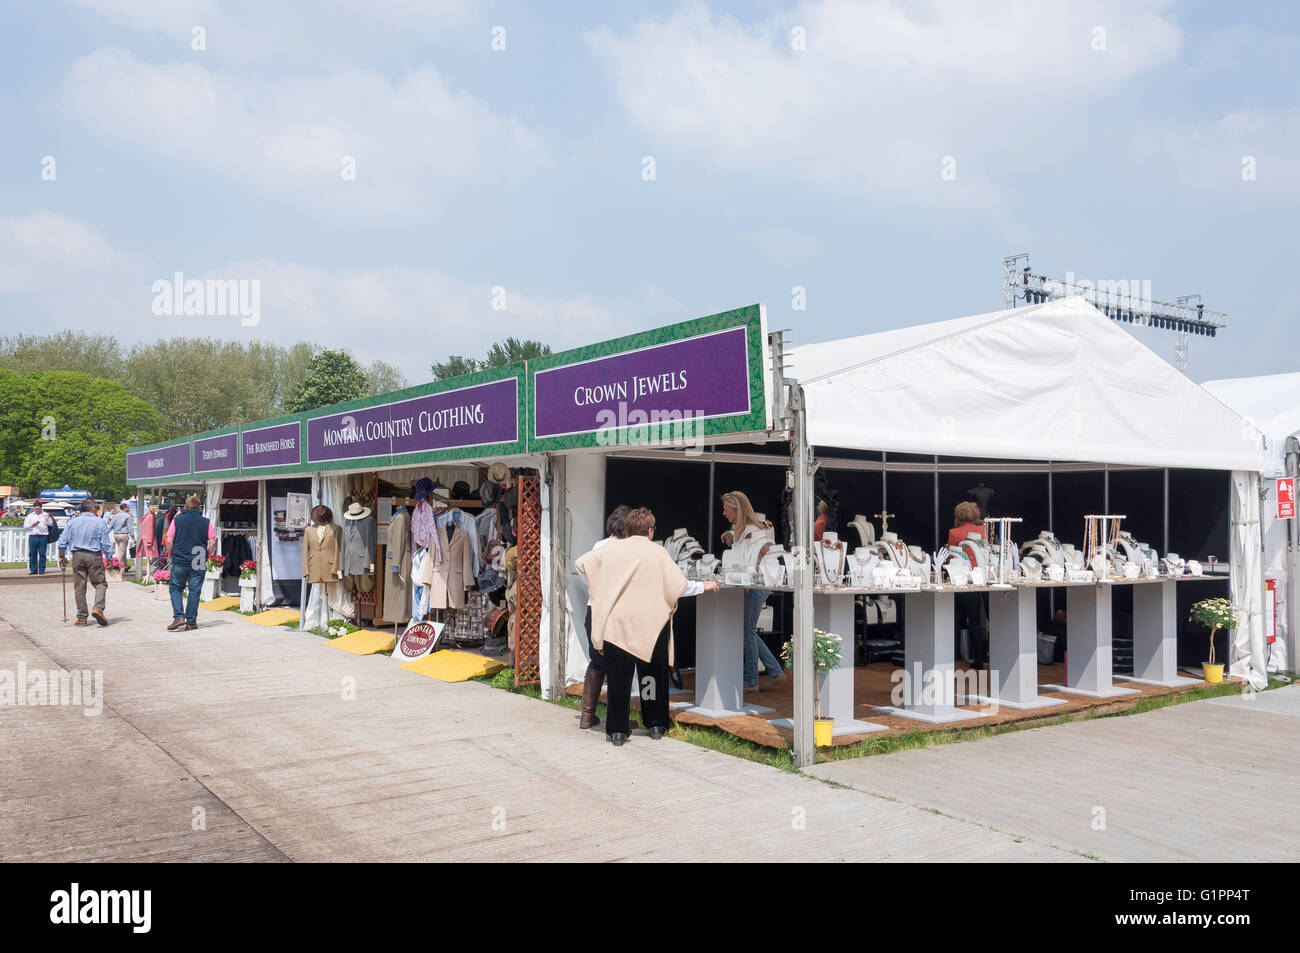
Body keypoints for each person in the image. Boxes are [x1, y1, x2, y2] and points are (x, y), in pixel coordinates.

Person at [577, 507, 719, 746]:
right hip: (652, 623)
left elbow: (582, 566)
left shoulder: (609, 548)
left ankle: (617, 731)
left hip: (618, 623)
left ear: (629, 528)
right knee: (651, 676)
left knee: (619, 679)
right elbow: (679, 586)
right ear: (650, 531)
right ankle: (655, 724)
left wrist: (602, 589)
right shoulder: (657, 552)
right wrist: (703, 585)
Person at [721, 490, 785, 691]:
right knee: (746, 630)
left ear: (735, 509)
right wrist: (731, 535)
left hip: (757, 585)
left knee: (747, 631)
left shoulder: (753, 530)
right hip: (750, 585)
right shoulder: (741, 529)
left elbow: (767, 553)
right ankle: (774, 670)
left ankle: (751, 680)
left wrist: (752, 578)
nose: (724, 513)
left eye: (726, 509)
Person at [577, 504, 629, 730]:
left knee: (597, 660)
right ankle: (619, 719)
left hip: (594, 609)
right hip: (617, 610)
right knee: (620, 662)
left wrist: (593, 587)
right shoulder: (628, 548)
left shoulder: (599, 545)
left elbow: (580, 566)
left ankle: (587, 715)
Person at [56, 499, 114, 626]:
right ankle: (98, 608)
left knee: (79, 587)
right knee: (100, 583)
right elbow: (105, 542)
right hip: (93, 555)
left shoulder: (72, 522)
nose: (97, 511)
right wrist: (109, 557)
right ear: (92, 508)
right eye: (96, 509)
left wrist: (62, 556)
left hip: (77, 555)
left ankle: (82, 617)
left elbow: (62, 541)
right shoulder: (99, 522)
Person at [164, 495, 216, 632]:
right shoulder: (206, 522)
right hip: (198, 558)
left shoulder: (177, 521)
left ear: (185, 507)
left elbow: (169, 541)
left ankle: (179, 617)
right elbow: (212, 542)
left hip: (180, 558)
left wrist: (170, 555)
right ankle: (191, 622)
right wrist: (207, 556)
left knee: (175, 588)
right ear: (199, 507)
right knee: (194, 591)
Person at [948, 501, 987, 667]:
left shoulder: (954, 532)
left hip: (964, 579)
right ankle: (981, 657)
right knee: (981, 620)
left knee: (967, 619)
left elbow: (952, 557)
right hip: (983, 577)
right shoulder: (982, 530)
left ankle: (964, 656)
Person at [23, 502, 54, 575]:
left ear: (41, 508)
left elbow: (51, 524)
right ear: (33, 508)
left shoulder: (45, 515)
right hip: (33, 536)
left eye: (39, 509)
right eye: (36, 509)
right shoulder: (30, 516)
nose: (37, 510)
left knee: (42, 554)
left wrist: (47, 519)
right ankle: (33, 570)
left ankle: (41, 570)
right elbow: (25, 526)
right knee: (32, 554)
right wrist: (32, 525)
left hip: (43, 536)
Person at [106, 502, 134, 568]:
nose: (129, 508)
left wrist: (106, 533)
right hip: (123, 535)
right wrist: (133, 537)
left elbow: (111, 526)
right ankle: (117, 566)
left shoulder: (115, 516)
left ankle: (126, 566)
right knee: (121, 551)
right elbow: (130, 527)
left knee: (122, 550)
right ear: (124, 508)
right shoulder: (127, 516)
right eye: (128, 507)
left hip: (116, 535)